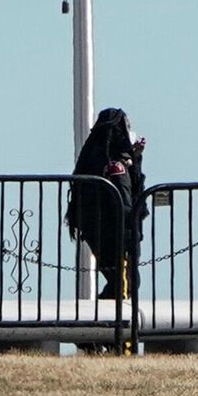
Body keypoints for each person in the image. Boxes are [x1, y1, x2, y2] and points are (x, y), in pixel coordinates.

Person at [65, 107, 148, 300]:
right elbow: (126, 199)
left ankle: (104, 311)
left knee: (118, 281)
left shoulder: (94, 159)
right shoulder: (115, 166)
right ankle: (116, 324)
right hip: (116, 234)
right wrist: (134, 224)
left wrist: (136, 159)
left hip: (97, 232)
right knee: (126, 284)